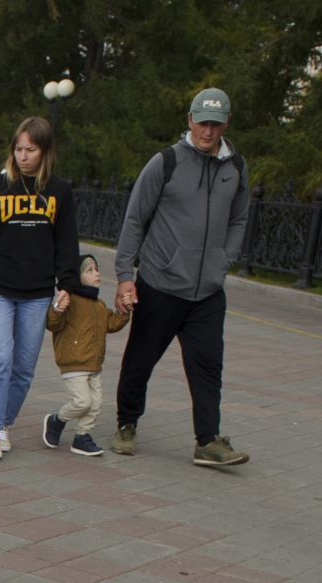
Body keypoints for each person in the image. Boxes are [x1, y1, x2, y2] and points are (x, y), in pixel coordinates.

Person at [110, 87, 252, 467]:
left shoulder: (235, 167)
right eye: (202, 123)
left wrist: (225, 259)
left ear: (226, 124)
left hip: (207, 291)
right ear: (190, 120)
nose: (208, 131)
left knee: (208, 366)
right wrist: (126, 275)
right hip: (160, 283)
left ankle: (207, 440)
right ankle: (126, 425)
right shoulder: (166, 162)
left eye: (215, 124)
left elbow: (239, 218)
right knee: (140, 360)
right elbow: (135, 218)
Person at [0, 116, 80, 461]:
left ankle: (3, 425)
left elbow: (66, 242)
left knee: (24, 366)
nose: (23, 156)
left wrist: (67, 285)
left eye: (30, 150)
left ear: (45, 152)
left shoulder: (59, 191)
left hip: (38, 291)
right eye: (18, 149)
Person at [41, 254, 131, 457]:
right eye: (89, 270)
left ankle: (82, 436)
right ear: (77, 277)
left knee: (96, 404)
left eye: (97, 269)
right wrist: (56, 308)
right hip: (73, 363)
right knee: (82, 402)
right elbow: (52, 324)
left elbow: (111, 324)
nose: (96, 273)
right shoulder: (70, 300)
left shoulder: (98, 305)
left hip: (94, 364)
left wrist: (125, 311)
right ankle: (56, 420)